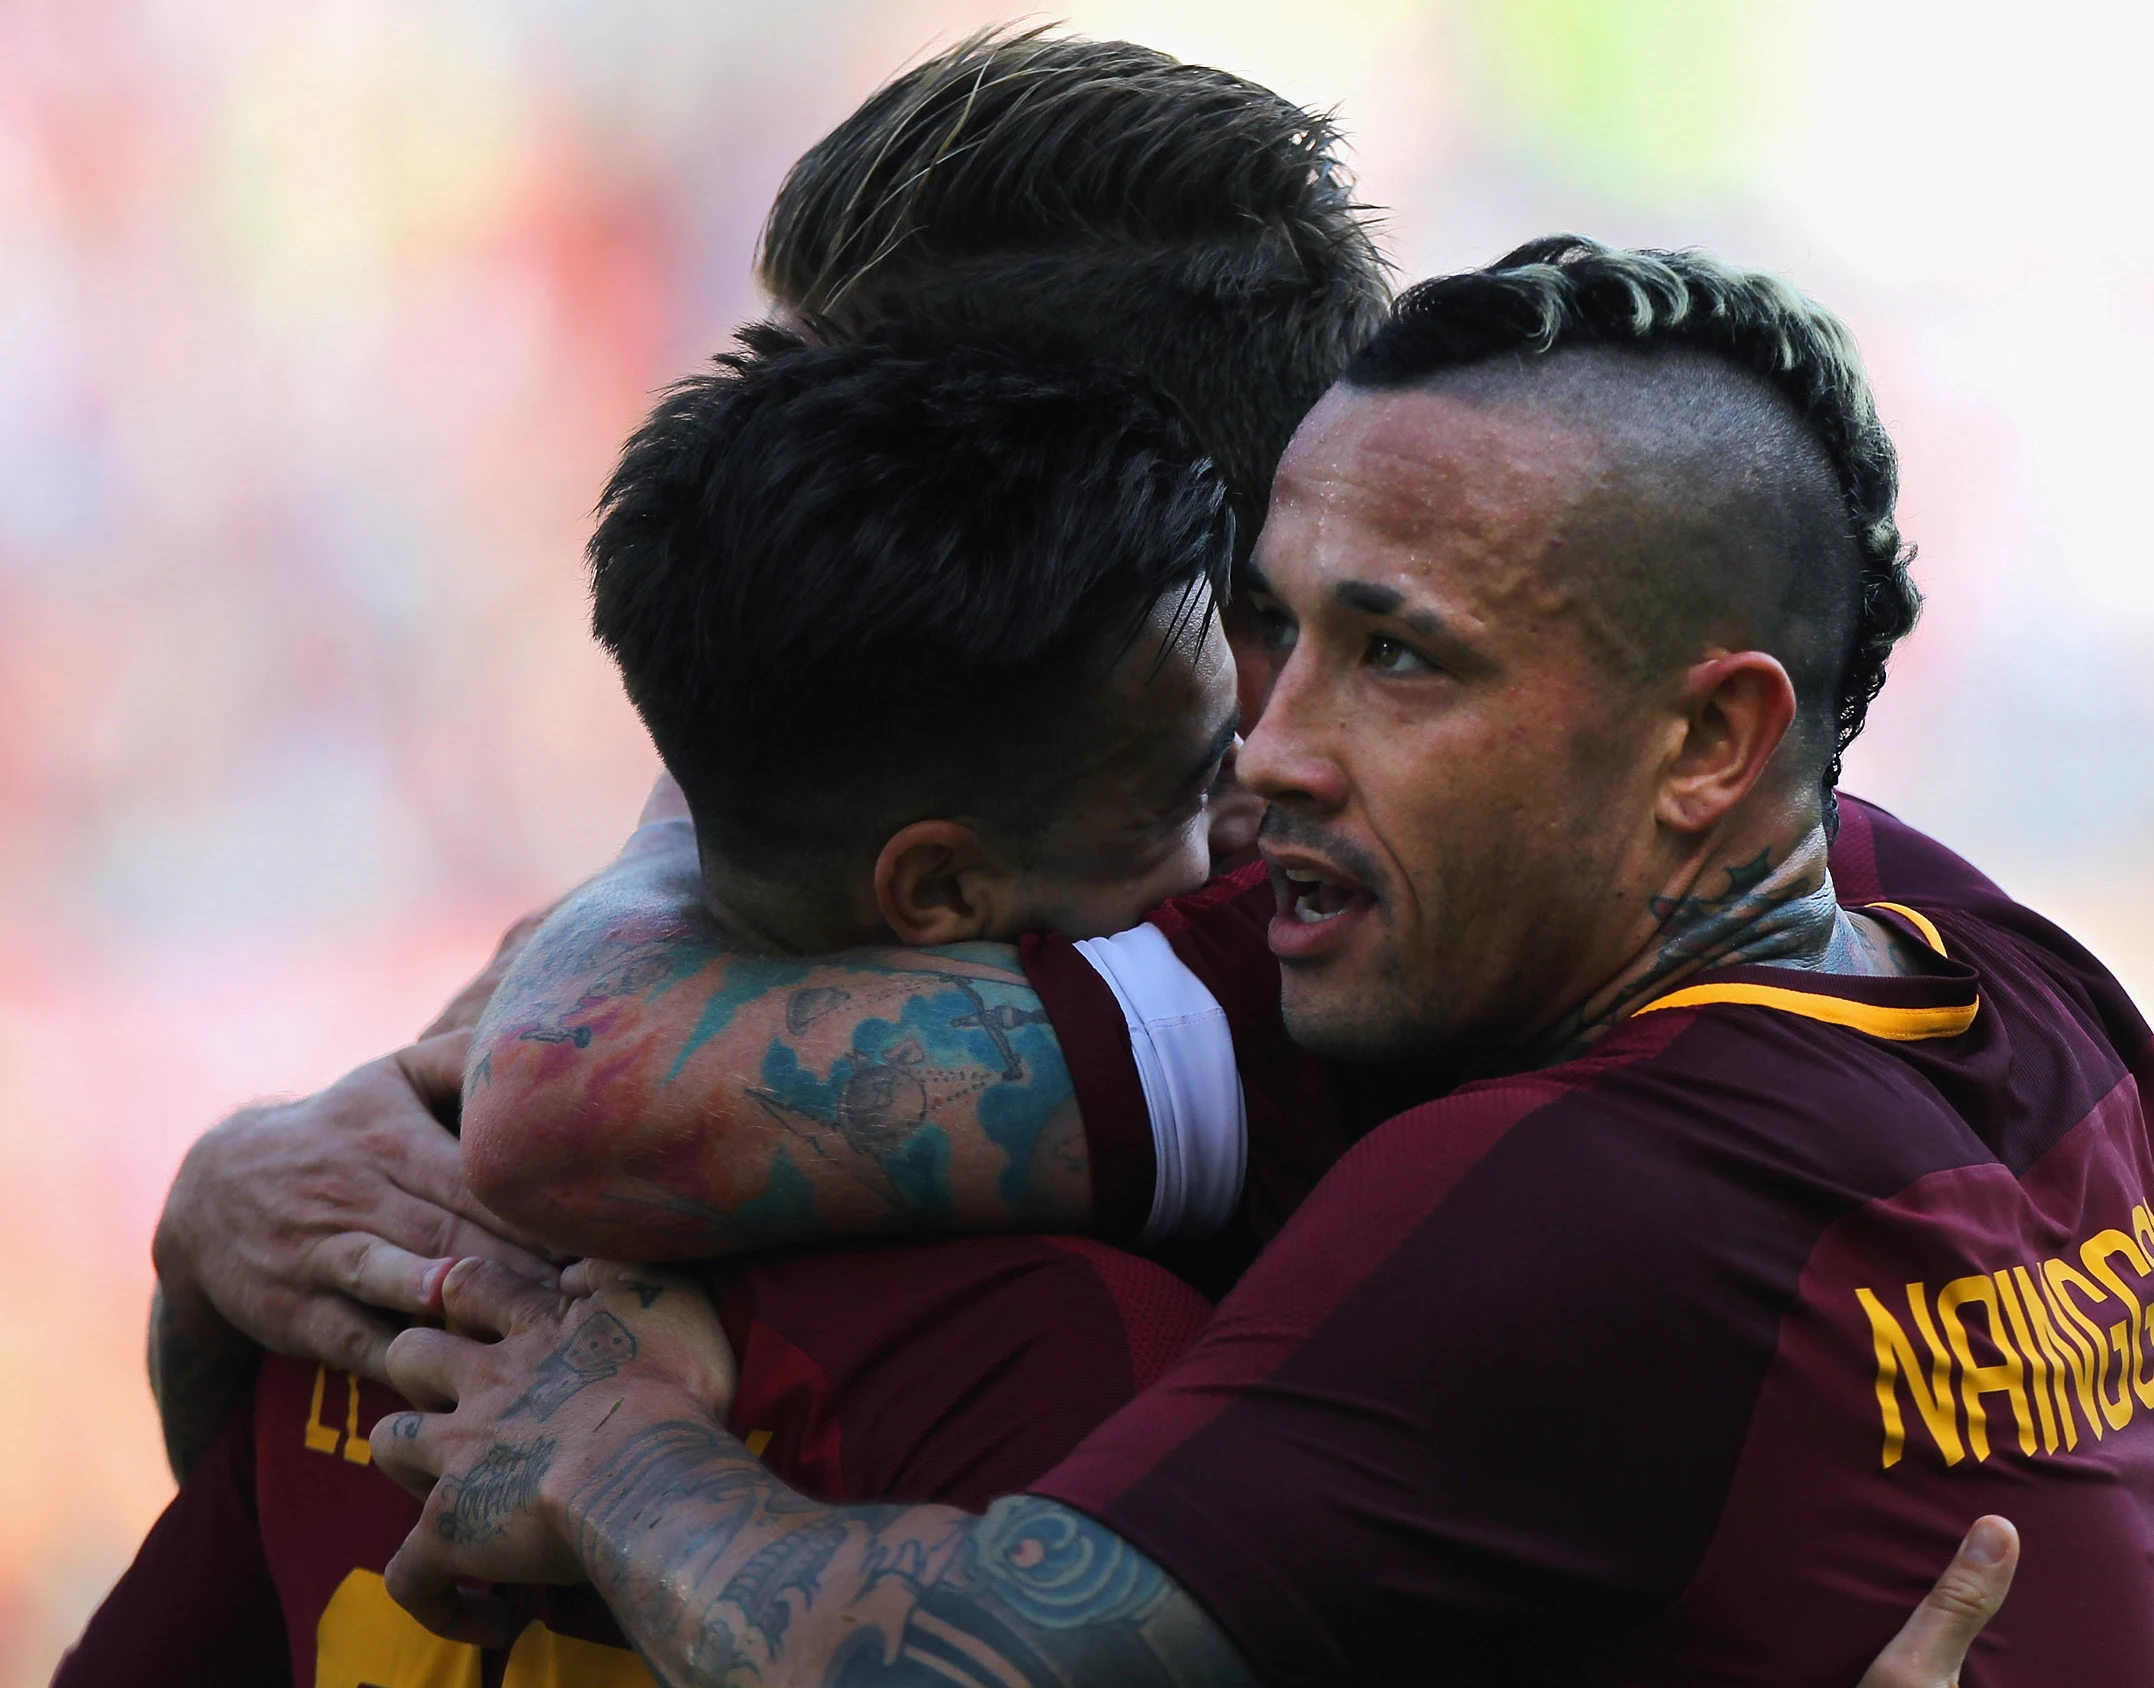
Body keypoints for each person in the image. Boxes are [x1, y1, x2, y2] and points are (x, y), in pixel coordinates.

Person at [374, 239, 2154, 1686]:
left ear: (1708, 749)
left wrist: (613, 1462)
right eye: (1271, 631)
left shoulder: (1574, 1194)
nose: (1267, 748)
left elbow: (981, 1658)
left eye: (1403, 658)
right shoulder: (2000, 963)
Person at [138, 22, 1386, 1483]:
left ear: (1052, 486)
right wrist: (219, 1220)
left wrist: (224, 1218)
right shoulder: (874, 857)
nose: (751, 464)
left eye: (818, 413)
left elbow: (556, 1099)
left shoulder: (1304, 956)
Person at [59, 323, 1252, 1685]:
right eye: (1191, 790)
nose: (1240, 838)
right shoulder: (1061, 1352)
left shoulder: (378, 1240)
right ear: (938, 891)